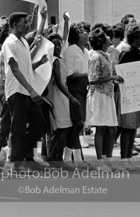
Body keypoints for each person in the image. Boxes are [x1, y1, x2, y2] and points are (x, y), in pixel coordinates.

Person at [1, 12, 48, 172]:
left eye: (28, 22)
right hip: (17, 91)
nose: (28, 25)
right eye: (24, 22)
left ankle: (19, 152)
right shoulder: (10, 43)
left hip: (29, 90)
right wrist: (31, 89)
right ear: (14, 24)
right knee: (17, 127)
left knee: (41, 124)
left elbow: (26, 65)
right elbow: (15, 69)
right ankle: (14, 162)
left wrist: (43, 19)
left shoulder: (24, 43)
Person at [86, 27, 125, 171]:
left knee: (112, 129)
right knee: (101, 128)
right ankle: (99, 161)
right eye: (106, 36)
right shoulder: (96, 57)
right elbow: (92, 79)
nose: (110, 37)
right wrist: (113, 77)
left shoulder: (104, 55)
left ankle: (108, 159)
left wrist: (113, 81)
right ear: (102, 41)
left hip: (107, 94)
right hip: (99, 95)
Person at [46, 33, 80, 167]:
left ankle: (55, 158)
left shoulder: (60, 59)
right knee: (61, 129)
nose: (59, 47)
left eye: (60, 44)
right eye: (55, 44)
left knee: (66, 128)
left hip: (64, 95)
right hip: (59, 96)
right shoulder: (54, 60)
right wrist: (71, 97)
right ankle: (57, 159)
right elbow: (59, 83)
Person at [117, 24, 140, 171]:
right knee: (126, 128)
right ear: (135, 39)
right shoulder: (127, 54)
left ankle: (129, 158)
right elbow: (122, 75)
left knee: (134, 127)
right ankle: (124, 160)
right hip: (127, 96)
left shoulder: (139, 53)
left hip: (137, 95)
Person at [62, 22, 90, 169]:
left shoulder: (86, 50)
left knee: (80, 124)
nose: (86, 34)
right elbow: (69, 74)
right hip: (73, 90)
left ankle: (78, 159)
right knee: (77, 123)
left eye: (86, 31)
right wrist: (88, 75)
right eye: (82, 32)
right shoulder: (71, 50)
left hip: (85, 90)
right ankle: (67, 156)